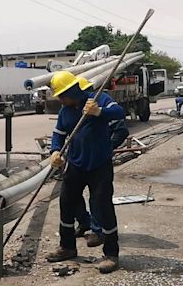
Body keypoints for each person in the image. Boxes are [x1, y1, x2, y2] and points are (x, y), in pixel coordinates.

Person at [46, 71, 124, 274]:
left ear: (72, 90)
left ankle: (111, 253)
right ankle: (67, 246)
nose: (61, 100)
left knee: (102, 204)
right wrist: (55, 151)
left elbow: (119, 113)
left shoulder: (98, 99)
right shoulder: (66, 111)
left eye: (63, 95)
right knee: (66, 203)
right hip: (76, 165)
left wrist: (99, 112)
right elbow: (58, 134)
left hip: (99, 165)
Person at [74, 77, 129, 248]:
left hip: (98, 161)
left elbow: (121, 130)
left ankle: (98, 231)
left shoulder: (102, 103)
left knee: (98, 198)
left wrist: (106, 148)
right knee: (72, 195)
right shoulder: (74, 107)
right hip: (78, 159)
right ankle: (84, 221)